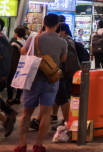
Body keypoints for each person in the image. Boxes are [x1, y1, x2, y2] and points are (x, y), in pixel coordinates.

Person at [15, 13, 67, 152]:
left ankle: (22, 144)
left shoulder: (34, 38)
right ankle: (38, 145)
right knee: (45, 113)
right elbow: (63, 59)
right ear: (57, 25)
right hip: (50, 80)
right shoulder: (62, 42)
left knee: (26, 113)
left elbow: (23, 51)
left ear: (44, 23)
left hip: (32, 79)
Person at [52, 23, 80, 126]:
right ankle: (54, 115)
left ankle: (68, 121)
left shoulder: (65, 41)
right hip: (68, 72)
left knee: (63, 97)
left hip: (65, 73)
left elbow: (63, 59)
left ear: (63, 31)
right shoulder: (70, 40)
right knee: (59, 95)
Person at [0, 18, 17, 137]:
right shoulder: (3, 39)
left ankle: (9, 113)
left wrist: (3, 75)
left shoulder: (2, 41)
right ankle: (7, 117)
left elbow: (4, 60)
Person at [7, 26, 27, 105]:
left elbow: (10, 55)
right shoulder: (25, 42)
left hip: (13, 65)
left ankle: (10, 98)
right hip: (23, 65)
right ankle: (18, 98)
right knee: (20, 82)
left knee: (9, 82)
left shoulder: (13, 43)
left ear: (16, 33)